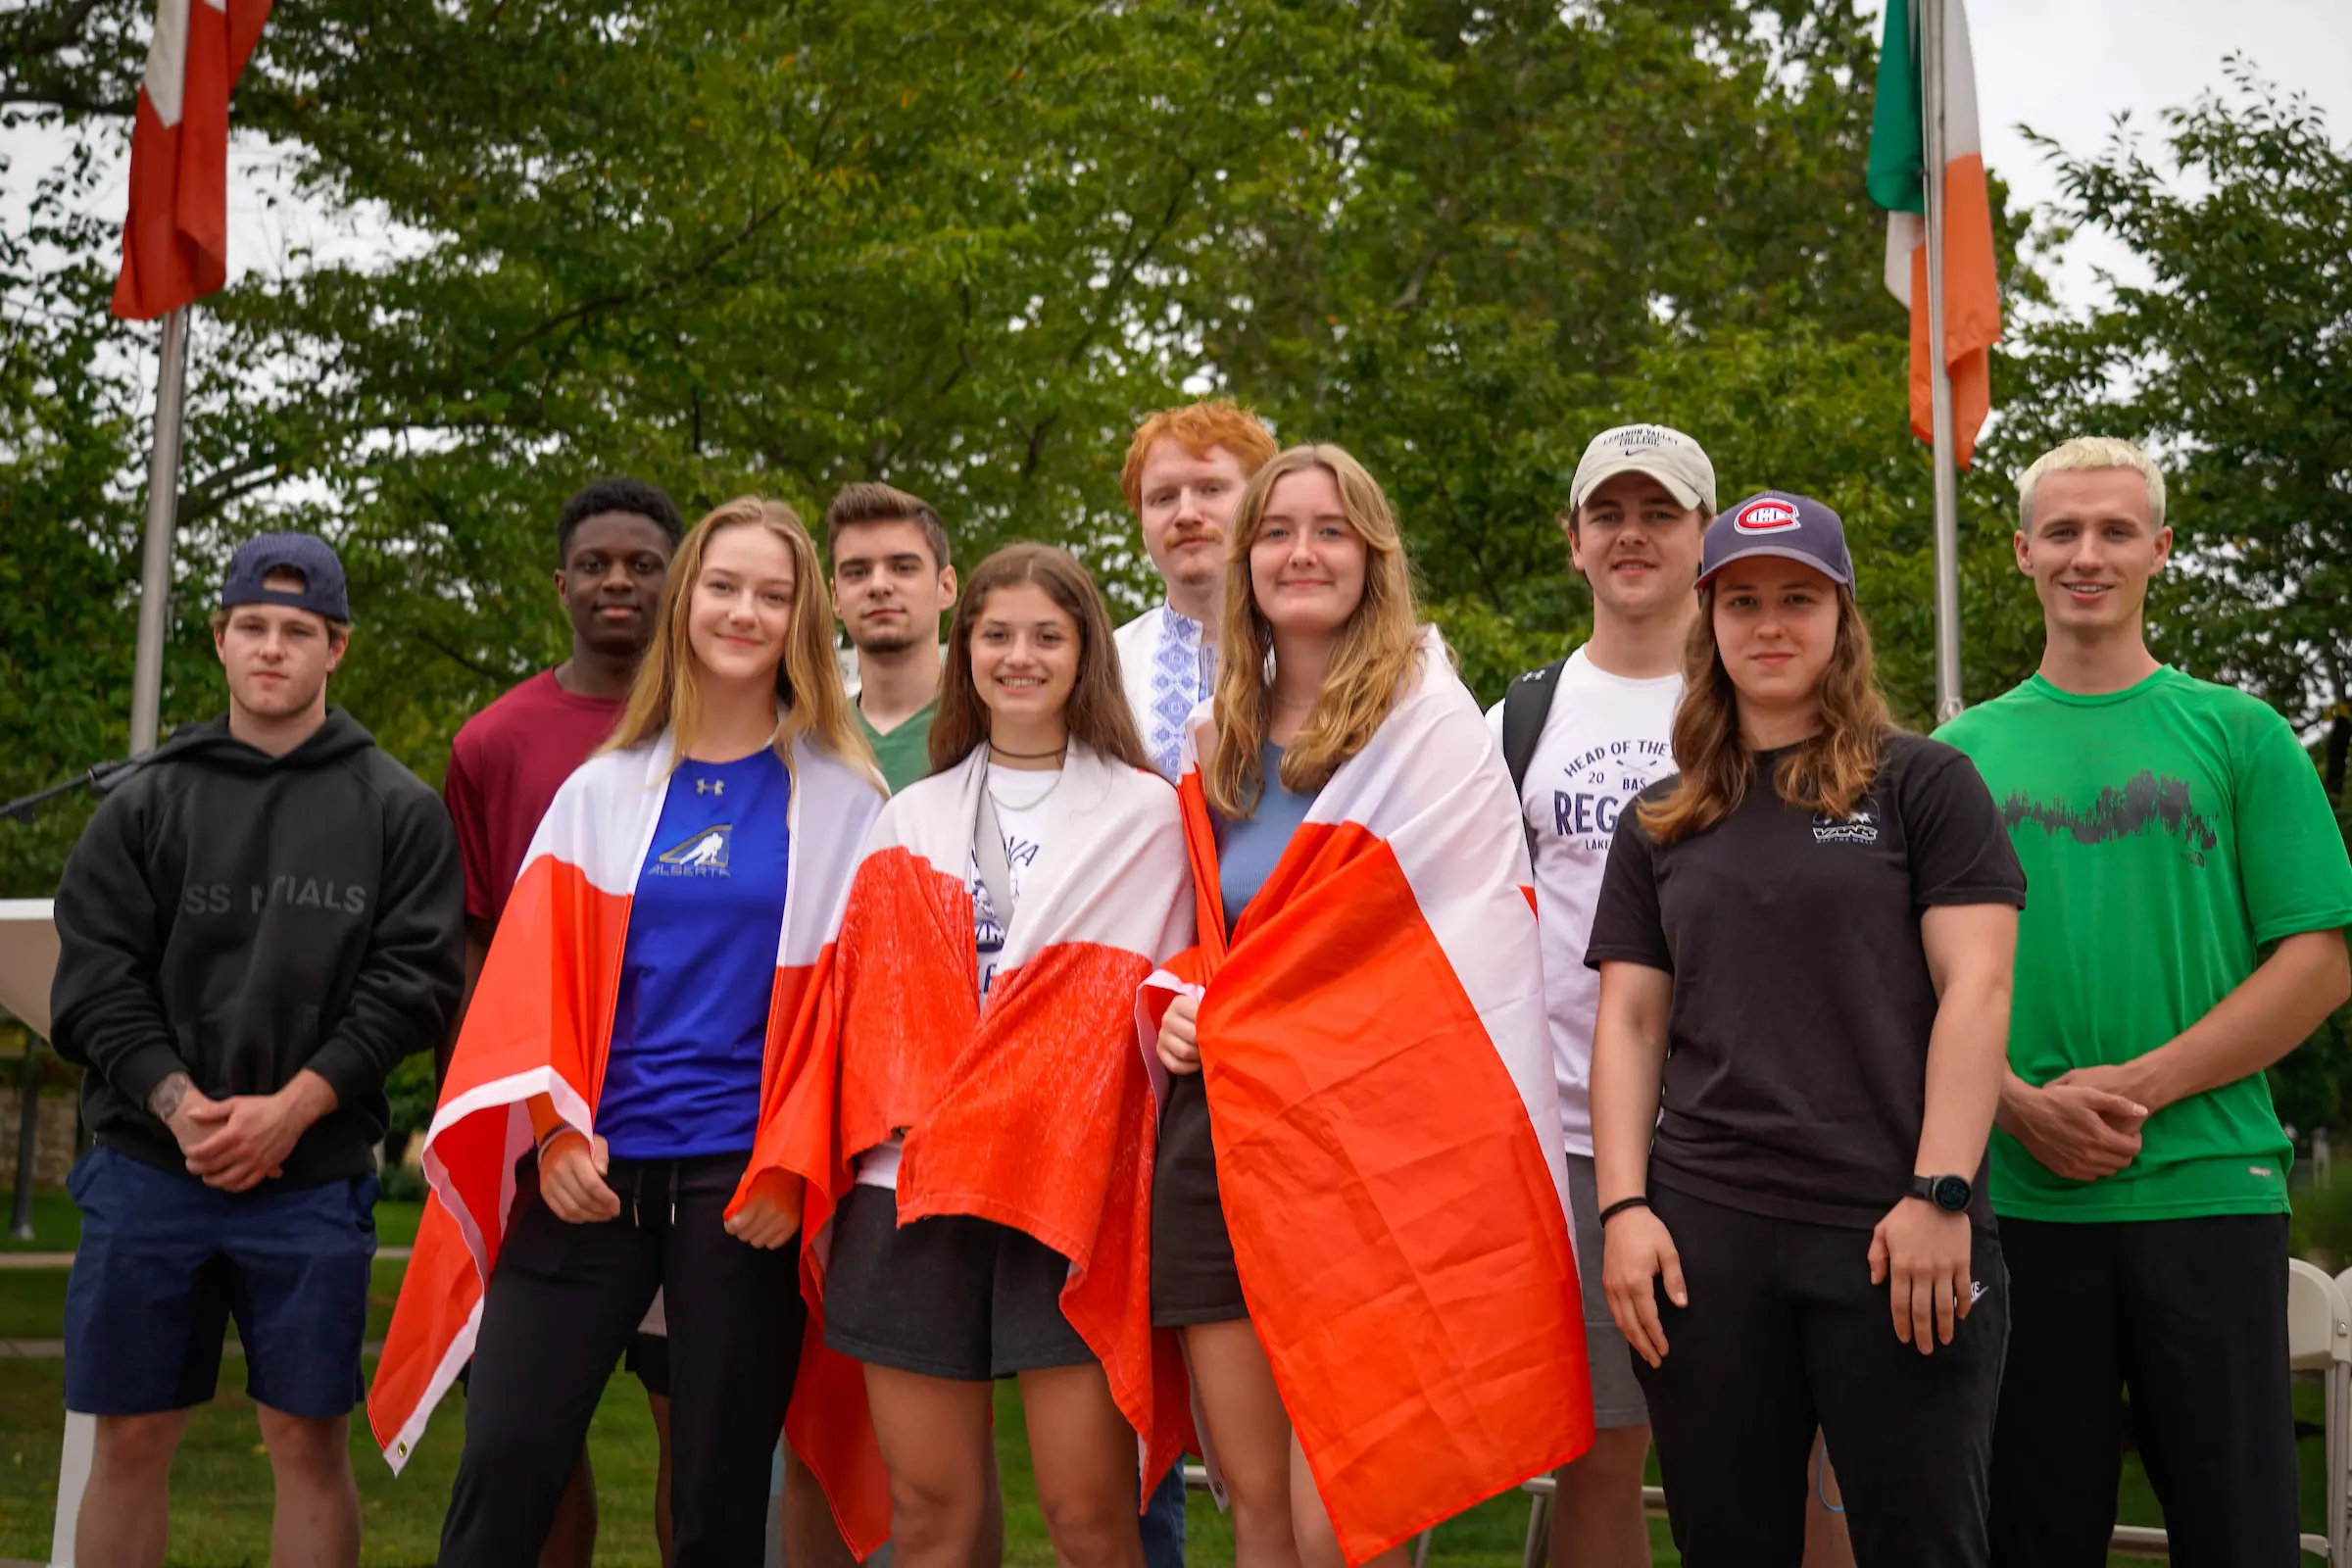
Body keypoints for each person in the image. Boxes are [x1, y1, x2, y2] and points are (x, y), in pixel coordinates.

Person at [368, 498, 890, 1567]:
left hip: (745, 1187)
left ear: (802, 620)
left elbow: (861, 1020)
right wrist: (553, 1135)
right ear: (686, 600)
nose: (745, 611)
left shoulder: (847, 802)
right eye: (724, 586)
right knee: (506, 1465)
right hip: (590, 1171)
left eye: (774, 593)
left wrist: (795, 1168)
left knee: (715, 1498)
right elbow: (528, 992)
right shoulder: (600, 790)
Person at [1147, 444, 1592, 1568]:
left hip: (1373, 1152)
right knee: (1250, 1502)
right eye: (1278, 531)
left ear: (1373, 556)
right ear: (1247, 563)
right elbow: (1212, 940)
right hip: (1225, 1140)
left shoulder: (1429, 733)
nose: (1303, 551)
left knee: (1344, 1509)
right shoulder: (1215, 744)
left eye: (1331, 529)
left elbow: (1467, 949)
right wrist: (1181, 1005)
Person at [1587, 492, 2024, 1567]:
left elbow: (1979, 990)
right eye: (1742, 602)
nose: (1769, 624)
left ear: (1842, 620)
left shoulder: (1924, 782)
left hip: (1895, 1231)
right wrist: (1625, 1208)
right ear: (1710, 620)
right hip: (1705, 1242)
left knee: (1925, 1545)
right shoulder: (1662, 816)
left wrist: (1940, 1192)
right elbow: (1633, 1022)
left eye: (1797, 599)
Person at [1937, 437, 2352, 1567]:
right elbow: (1915, 981)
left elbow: (2319, 960)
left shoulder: (2241, 735)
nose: (2088, 553)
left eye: (2116, 530)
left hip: (2212, 1189)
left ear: (2160, 550)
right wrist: (2019, 1105)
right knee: (2032, 1536)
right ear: (2021, 551)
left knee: (2242, 1535)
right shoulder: (1954, 757)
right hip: (2018, 1209)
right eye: (2063, 531)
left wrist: (2136, 1087)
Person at [50, 531, 465, 1568]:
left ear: (338, 649)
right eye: (252, 628)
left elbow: (412, 987)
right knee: (132, 1435)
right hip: (152, 1165)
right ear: (221, 641)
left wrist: (296, 1106)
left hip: (312, 1176)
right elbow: (95, 978)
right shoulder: (145, 801)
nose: (272, 648)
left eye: (298, 631)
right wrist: (179, 1102)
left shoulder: (399, 810)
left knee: (304, 1440)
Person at [803, 543, 1194, 1568]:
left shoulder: (1148, 815)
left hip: (1068, 1191)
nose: (1020, 656)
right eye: (997, 634)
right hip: (910, 1187)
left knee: (1088, 1516)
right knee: (932, 1516)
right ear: (964, 647)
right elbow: (866, 1019)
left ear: (1085, 655)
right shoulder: (910, 817)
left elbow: (1166, 991)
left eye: (1047, 636)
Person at [439, 473, 685, 1568]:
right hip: (546, 1142)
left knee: (704, 1440)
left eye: (643, 562)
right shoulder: (496, 742)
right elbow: (473, 948)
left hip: (701, 1134)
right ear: (561, 584)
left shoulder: (745, 727)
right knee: (528, 1441)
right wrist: (507, 1117)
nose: (619, 580)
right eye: (596, 564)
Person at [1490, 424, 1713, 1568]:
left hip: (1749, 1131)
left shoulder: (1762, 696)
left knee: (1806, 1450)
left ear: (1702, 536)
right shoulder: (1520, 720)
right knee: (1601, 1451)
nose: (1633, 535)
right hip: (1573, 1133)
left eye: (1660, 513)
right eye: (1609, 514)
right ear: (1574, 541)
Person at [1114, 399, 1281, 780]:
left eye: (1210, 489)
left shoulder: (1322, 657)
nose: (1186, 514)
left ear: (1263, 505)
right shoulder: (1105, 667)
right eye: (1163, 498)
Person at [829, 480, 958, 794]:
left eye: (902, 568)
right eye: (857, 572)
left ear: (946, 587)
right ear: (835, 598)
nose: (879, 585)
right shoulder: (810, 741)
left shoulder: (992, 731)